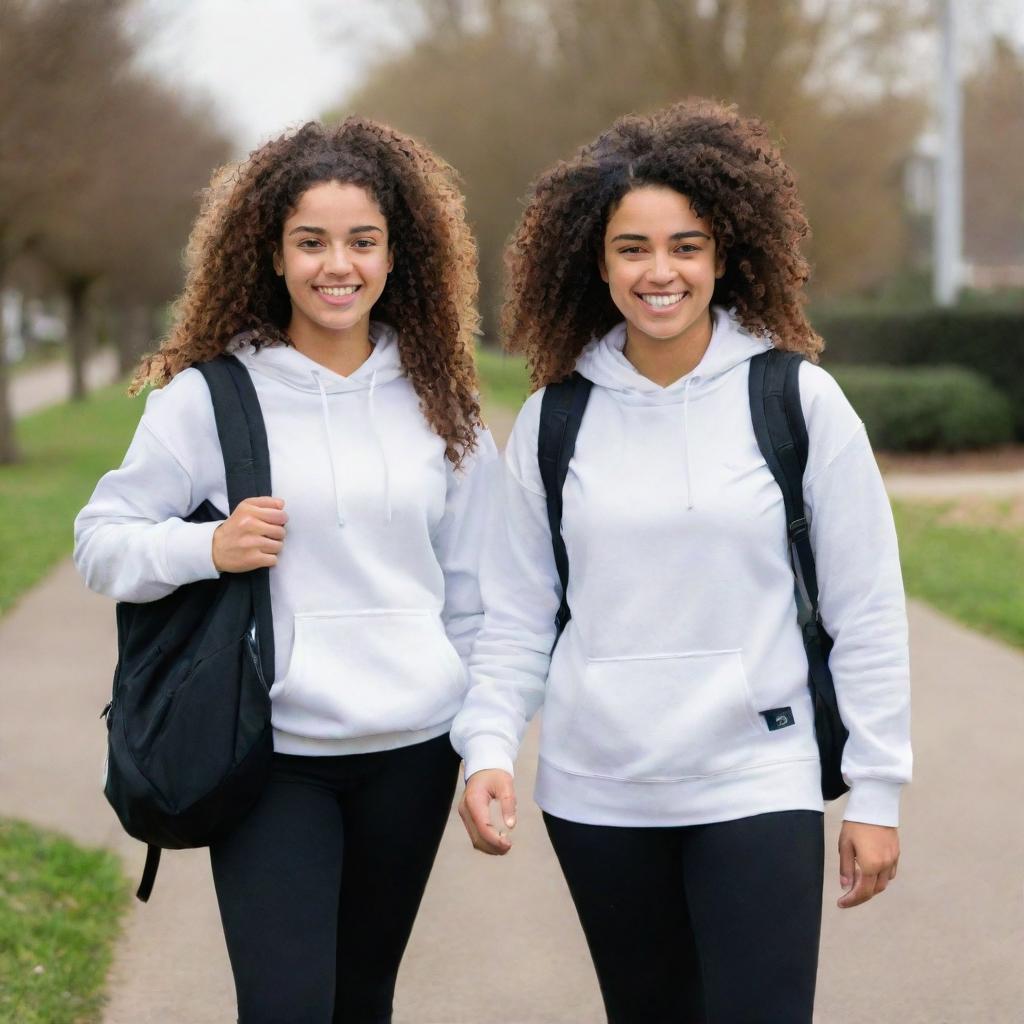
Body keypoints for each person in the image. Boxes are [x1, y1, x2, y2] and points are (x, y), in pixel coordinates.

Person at [451, 99, 911, 1023]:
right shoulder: (555, 420)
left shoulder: (797, 401)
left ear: (724, 256)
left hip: (760, 776)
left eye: (686, 246)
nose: (661, 272)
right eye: (633, 249)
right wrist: (488, 744)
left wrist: (877, 790)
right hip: (600, 792)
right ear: (597, 261)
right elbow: (516, 613)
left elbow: (867, 609)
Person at [75, 117, 496, 1024]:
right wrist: (205, 548)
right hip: (275, 759)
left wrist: (482, 743)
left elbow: (476, 594)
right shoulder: (210, 396)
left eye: (361, 241)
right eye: (310, 241)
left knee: (362, 1001)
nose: (335, 264)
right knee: (285, 1006)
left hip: (412, 755)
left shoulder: (442, 402)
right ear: (271, 253)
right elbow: (100, 542)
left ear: (395, 256)